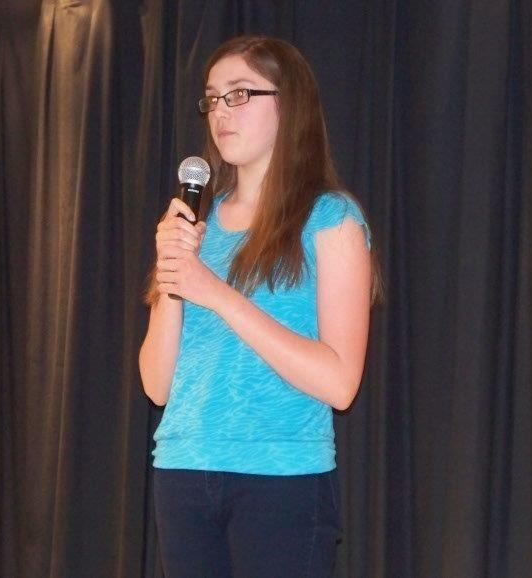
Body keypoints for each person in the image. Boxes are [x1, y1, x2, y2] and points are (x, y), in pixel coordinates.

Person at [139, 34, 380, 577]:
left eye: (240, 94)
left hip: (281, 478)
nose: (221, 111)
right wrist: (173, 269)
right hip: (182, 470)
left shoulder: (331, 219)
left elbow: (341, 383)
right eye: (212, 98)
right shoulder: (195, 225)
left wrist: (216, 294)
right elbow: (156, 385)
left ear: (288, 104)